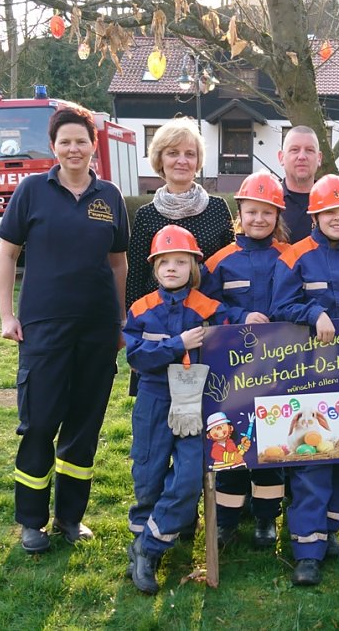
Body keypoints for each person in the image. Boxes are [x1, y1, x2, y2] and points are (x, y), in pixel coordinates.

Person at [0, 104, 129, 554]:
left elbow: (118, 263)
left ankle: (70, 518)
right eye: (65, 141)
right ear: (53, 147)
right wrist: (7, 316)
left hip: (97, 329)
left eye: (82, 141)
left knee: (84, 426)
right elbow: (7, 256)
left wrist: (121, 317)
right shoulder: (32, 190)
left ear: (95, 146)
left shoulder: (109, 197)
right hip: (43, 329)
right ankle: (32, 522)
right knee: (39, 424)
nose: (74, 148)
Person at [270, 174, 339, 586]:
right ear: (314, 215)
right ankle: (307, 552)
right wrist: (314, 314)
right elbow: (282, 304)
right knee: (310, 456)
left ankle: (329, 530)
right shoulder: (294, 256)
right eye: (328, 212)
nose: (337, 218)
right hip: (307, 372)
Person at [123, 225, 232, 595]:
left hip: (195, 403)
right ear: (154, 268)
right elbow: (136, 357)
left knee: (188, 477)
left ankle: (146, 548)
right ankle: (142, 544)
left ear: (194, 267)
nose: (172, 268)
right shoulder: (140, 310)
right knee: (148, 472)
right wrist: (177, 344)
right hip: (154, 401)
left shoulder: (210, 309)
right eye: (164, 262)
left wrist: (251, 320)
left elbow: (236, 337)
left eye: (181, 261)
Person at [200, 171, 290, 549]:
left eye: (267, 213)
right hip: (231, 375)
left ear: (277, 217)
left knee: (272, 446)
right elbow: (202, 306)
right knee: (231, 444)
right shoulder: (218, 262)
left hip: (281, 369)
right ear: (240, 212)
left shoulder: (292, 256)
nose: (259, 219)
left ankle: (266, 520)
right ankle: (227, 521)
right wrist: (238, 318)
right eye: (252, 212)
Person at [125, 117, 235, 313]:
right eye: (173, 153)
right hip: (160, 320)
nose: (182, 161)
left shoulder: (217, 208)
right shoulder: (146, 215)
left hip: (209, 317)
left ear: (197, 161)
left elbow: (231, 269)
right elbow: (136, 278)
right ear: (160, 159)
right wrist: (136, 324)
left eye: (190, 154)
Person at [279, 126, 323, 243]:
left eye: (309, 150)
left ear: (319, 158)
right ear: (281, 157)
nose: (302, 157)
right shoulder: (268, 201)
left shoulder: (333, 202)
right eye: (294, 150)